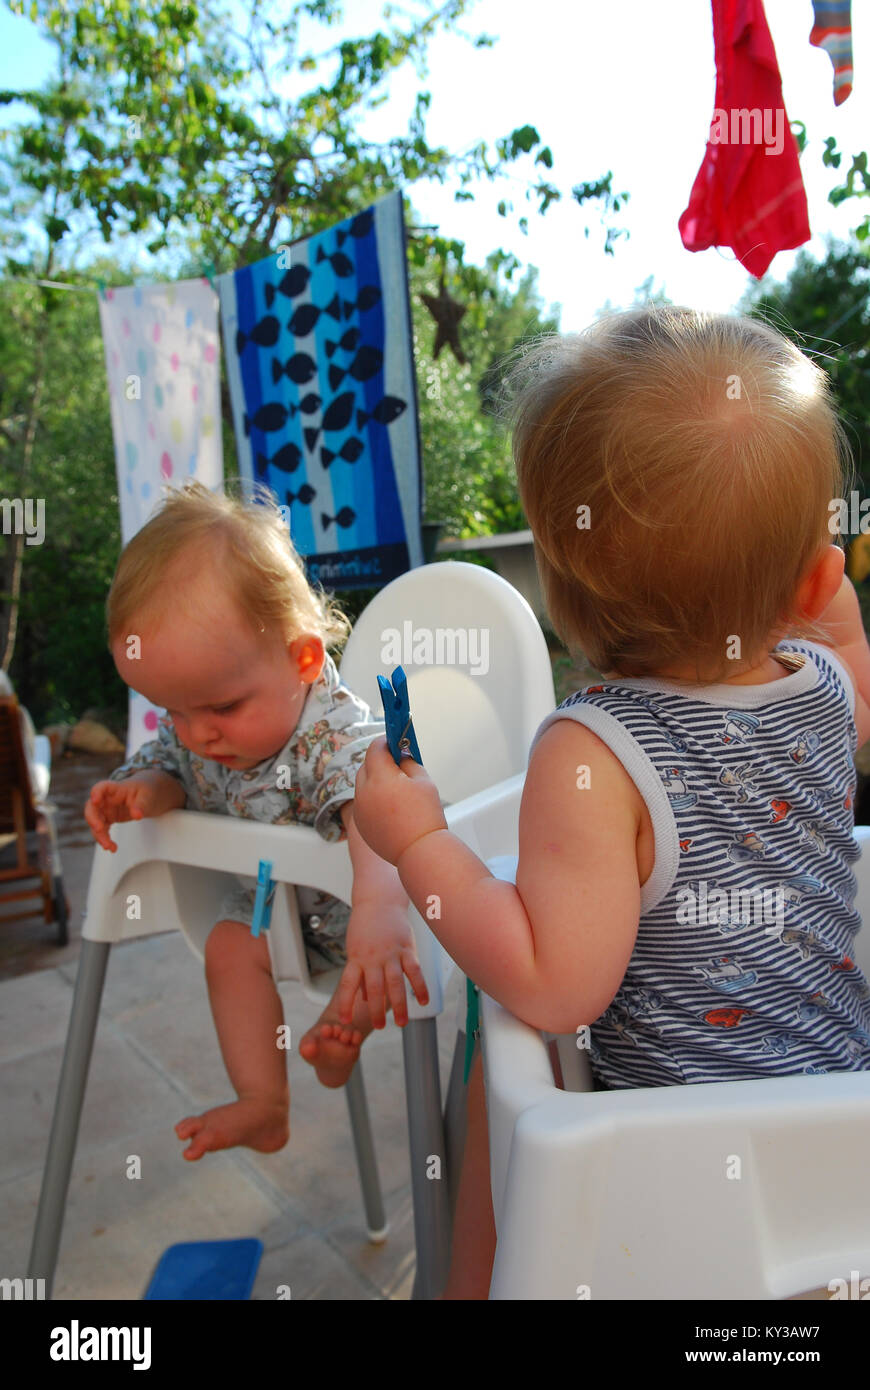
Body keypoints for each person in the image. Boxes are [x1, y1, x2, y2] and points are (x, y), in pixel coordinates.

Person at [350, 306, 870, 1297]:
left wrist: (420, 844)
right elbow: (846, 651)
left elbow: (551, 983)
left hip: (679, 1196)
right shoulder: (826, 692)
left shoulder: (595, 753)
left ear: (562, 580)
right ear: (814, 577)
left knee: (493, 1050)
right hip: (842, 1161)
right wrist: (815, 594)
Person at [84, 479, 427, 1162]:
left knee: (382, 963)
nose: (198, 733)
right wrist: (145, 790)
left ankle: (343, 1025)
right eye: (172, 711)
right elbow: (171, 769)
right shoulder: (193, 732)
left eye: (221, 708)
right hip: (267, 912)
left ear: (302, 659)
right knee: (225, 946)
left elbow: (381, 812)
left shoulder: (335, 734)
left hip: (362, 925)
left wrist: (382, 909)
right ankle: (264, 1104)